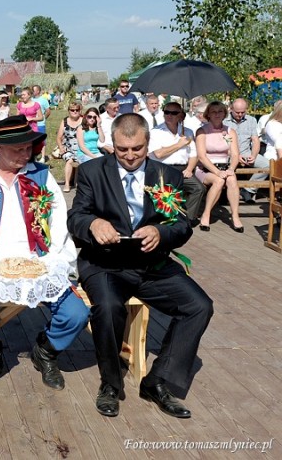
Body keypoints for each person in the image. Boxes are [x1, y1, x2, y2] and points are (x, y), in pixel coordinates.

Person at [68, 113, 213, 419]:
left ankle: (158, 381)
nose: (131, 156)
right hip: (105, 264)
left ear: (148, 142)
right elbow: (76, 216)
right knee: (107, 308)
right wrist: (93, 224)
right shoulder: (93, 171)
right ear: (112, 144)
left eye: (137, 148)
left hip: (152, 264)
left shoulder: (166, 176)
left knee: (199, 306)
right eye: (123, 150)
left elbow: (181, 225)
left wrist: (161, 232)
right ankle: (110, 382)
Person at [0, 115, 89, 393]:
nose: (26, 154)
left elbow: (59, 223)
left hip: (39, 263)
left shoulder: (42, 176)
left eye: (28, 148)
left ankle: (46, 350)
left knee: (76, 313)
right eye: (18, 149)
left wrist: (53, 263)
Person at [148, 102, 206, 225]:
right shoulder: (156, 131)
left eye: (174, 113)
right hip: (162, 169)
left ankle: (187, 218)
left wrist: (190, 169)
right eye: (166, 112)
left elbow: (193, 154)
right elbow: (159, 154)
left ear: (180, 115)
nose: (169, 115)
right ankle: (163, 219)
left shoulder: (187, 132)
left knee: (198, 188)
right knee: (163, 194)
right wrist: (179, 144)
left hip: (182, 168)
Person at [195, 101, 243, 232]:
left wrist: (231, 169)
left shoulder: (229, 132)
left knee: (232, 179)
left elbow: (234, 154)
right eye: (213, 112)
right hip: (206, 168)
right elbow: (201, 157)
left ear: (225, 114)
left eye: (220, 111)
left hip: (225, 166)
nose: (217, 114)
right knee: (219, 180)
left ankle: (235, 215)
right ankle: (206, 214)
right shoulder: (202, 131)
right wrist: (217, 172)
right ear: (208, 114)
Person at [224, 98, 268, 203]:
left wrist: (254, 154)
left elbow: (255, 140)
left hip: (246, 152)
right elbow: (223, 143)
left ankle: (249, 189)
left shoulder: (251, 120)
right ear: (231, 109)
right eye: (237, 112)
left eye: (243, 112)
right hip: (228, 153)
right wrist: (236, 156)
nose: (240, 114)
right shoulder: (224, 121)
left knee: (267, 165)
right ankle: (223, 194)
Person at [56, 102, 83, 192]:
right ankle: (67, 183)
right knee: (70, 160)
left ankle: (81, 183)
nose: (75, 112)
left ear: (80, 110)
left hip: (81, 148)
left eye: (77, 110)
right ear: (69, 111)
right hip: (68, 148)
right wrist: (61, 147)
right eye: (72, 110)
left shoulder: (84, 120)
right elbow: (59, 137)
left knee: (83, 160)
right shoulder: (64, 121)